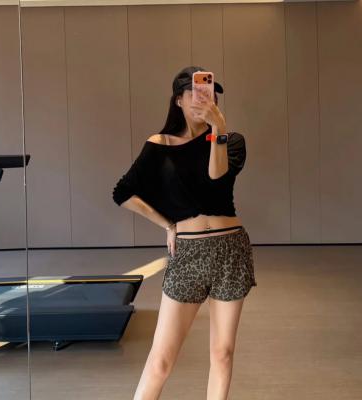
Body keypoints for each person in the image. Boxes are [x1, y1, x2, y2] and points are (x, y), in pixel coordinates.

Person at [112, 66, 257, 400]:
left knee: (222, 354)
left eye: (209, 92)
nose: (203, 98)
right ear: (178, 99)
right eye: (195, 92)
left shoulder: (231, 140)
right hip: (188, 253)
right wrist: (168, 224)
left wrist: (218, 128)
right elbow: (123, 193)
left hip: (230, 251)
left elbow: (216, 177)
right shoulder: (158, 145)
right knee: (161, 360)